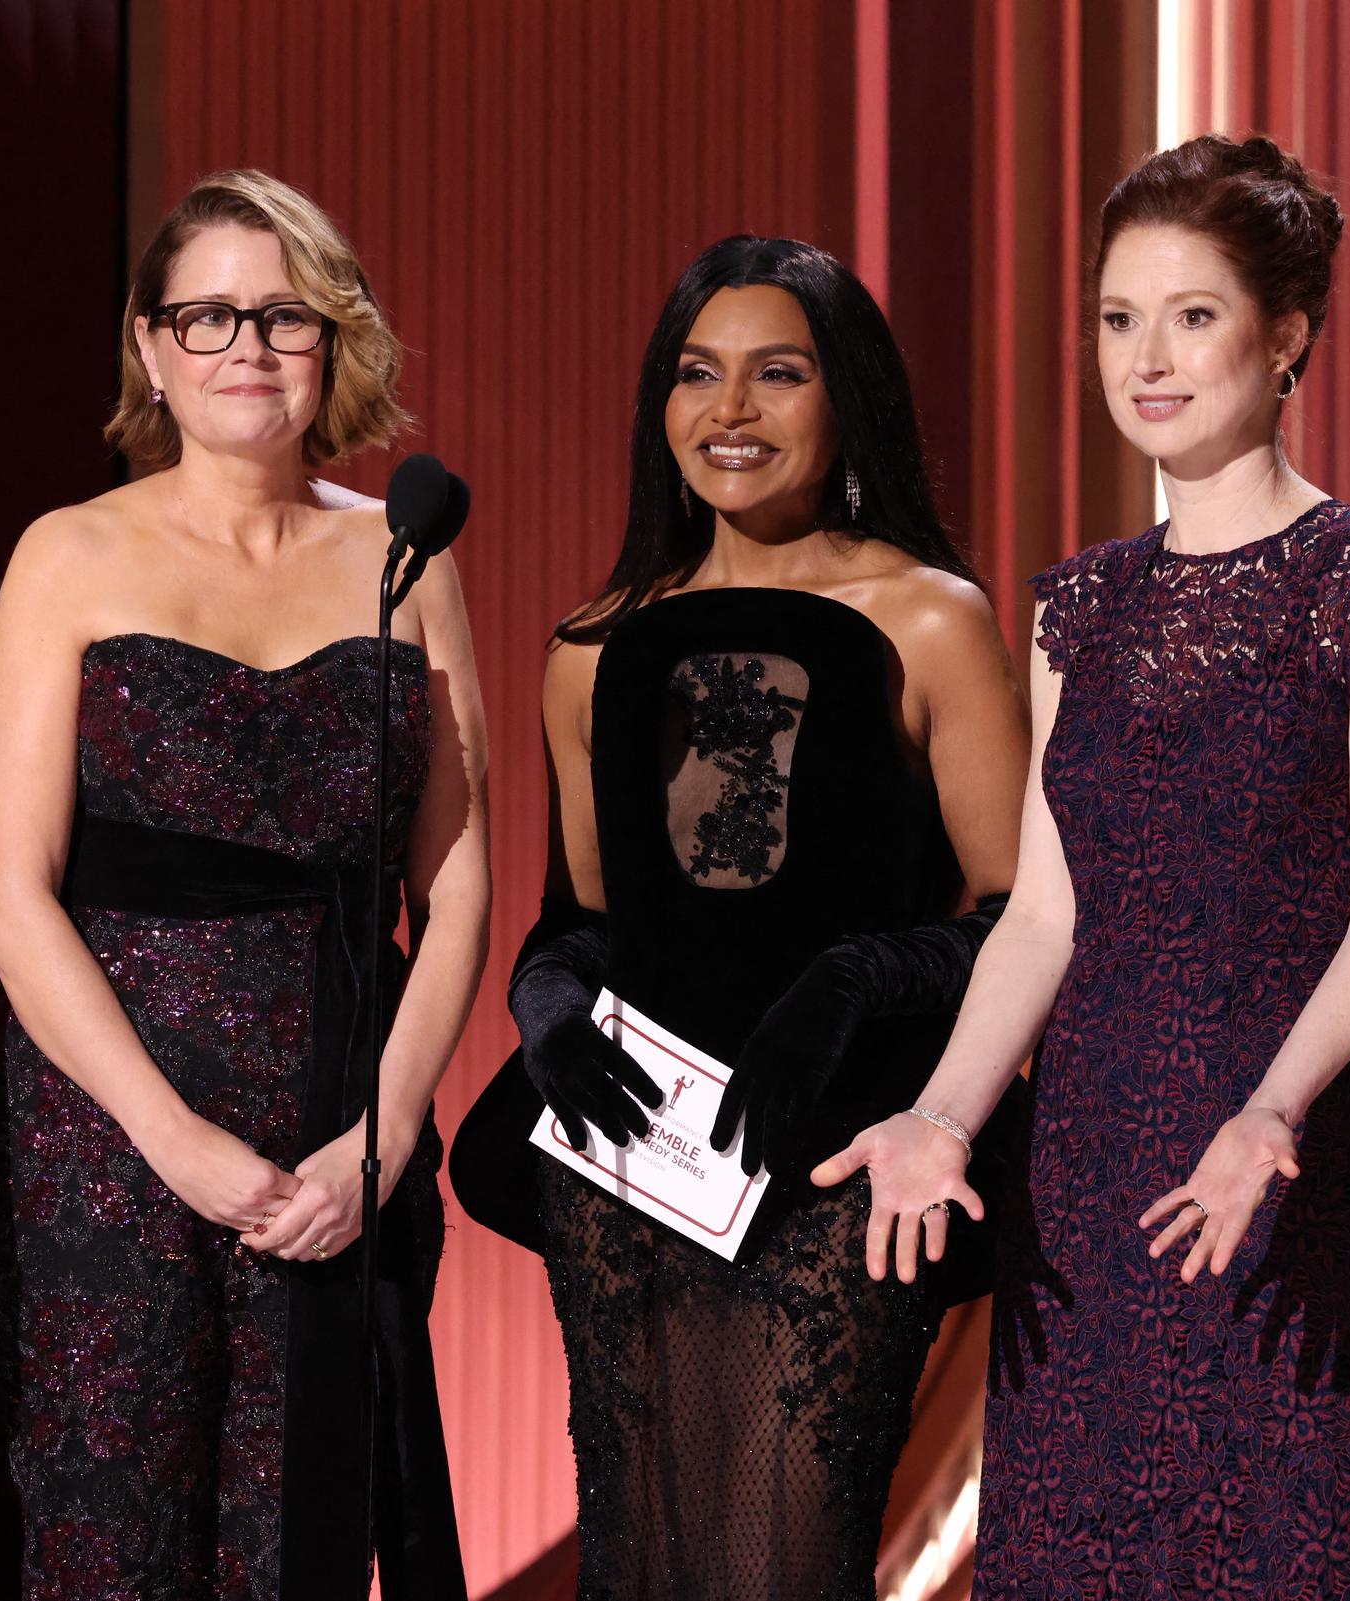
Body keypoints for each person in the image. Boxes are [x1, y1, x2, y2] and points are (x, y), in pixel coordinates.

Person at [818, 135, 1350, 1596]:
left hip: (1279, 1174)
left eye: (1192, 316)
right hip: (1088, 1185)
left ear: (1286, 334)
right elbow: (1044, 918)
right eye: (1120, 318)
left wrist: (1269, 1111)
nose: (1147, 359)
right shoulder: (1082, 609)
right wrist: (942, 1112)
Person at [0, 170, 486, 1601]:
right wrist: (171, 1137)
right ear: (151, 347)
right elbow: (11, 892)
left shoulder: (403, 552)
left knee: (299, 1542)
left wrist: (382, 1139)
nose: (246, 346)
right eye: (207, 316)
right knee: (115, 1543)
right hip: (110, 1133)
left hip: (338, 1132)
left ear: (332, 339)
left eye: (282, 315)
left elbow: (457, 886)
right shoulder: (68, 552)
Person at [501, 235, 1028, 1601]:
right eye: (697, 373)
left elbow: (1024, 921)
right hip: (634, 1165)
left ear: (847, 397)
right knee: (644, 1564)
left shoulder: (932, 621)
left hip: (841, 1161)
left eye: (777, 374)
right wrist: (546, 1007)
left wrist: (853, 981)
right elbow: (581, 920)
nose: (729, 411)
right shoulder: (590, 647)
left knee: (785, 1565)